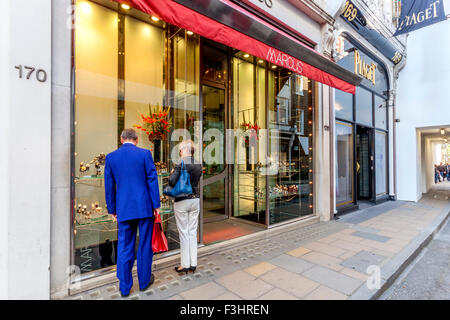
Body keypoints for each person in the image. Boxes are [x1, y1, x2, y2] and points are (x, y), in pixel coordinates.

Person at [104, 128, 160, 297]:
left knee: (124, 246)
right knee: (144, 245)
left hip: (123, 209)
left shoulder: (111, 157)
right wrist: (156, 204)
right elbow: (152, 179)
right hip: (144, 207)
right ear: (136, 139)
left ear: (122, 139)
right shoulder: (144, 154)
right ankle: (143, 282)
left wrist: (112, 209)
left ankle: (125, 287)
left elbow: (109, 187)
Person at [168, 140, 202, 275]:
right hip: (195, 199)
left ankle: (185, 265)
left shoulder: (181, 163)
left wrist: (173, 171)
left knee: (183, 233)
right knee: (192, 232)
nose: (180, 152)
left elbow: (171, 181)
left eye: (181, 150)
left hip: (182, 200)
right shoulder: (198, 163)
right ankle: (193, 264)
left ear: (185, 151)